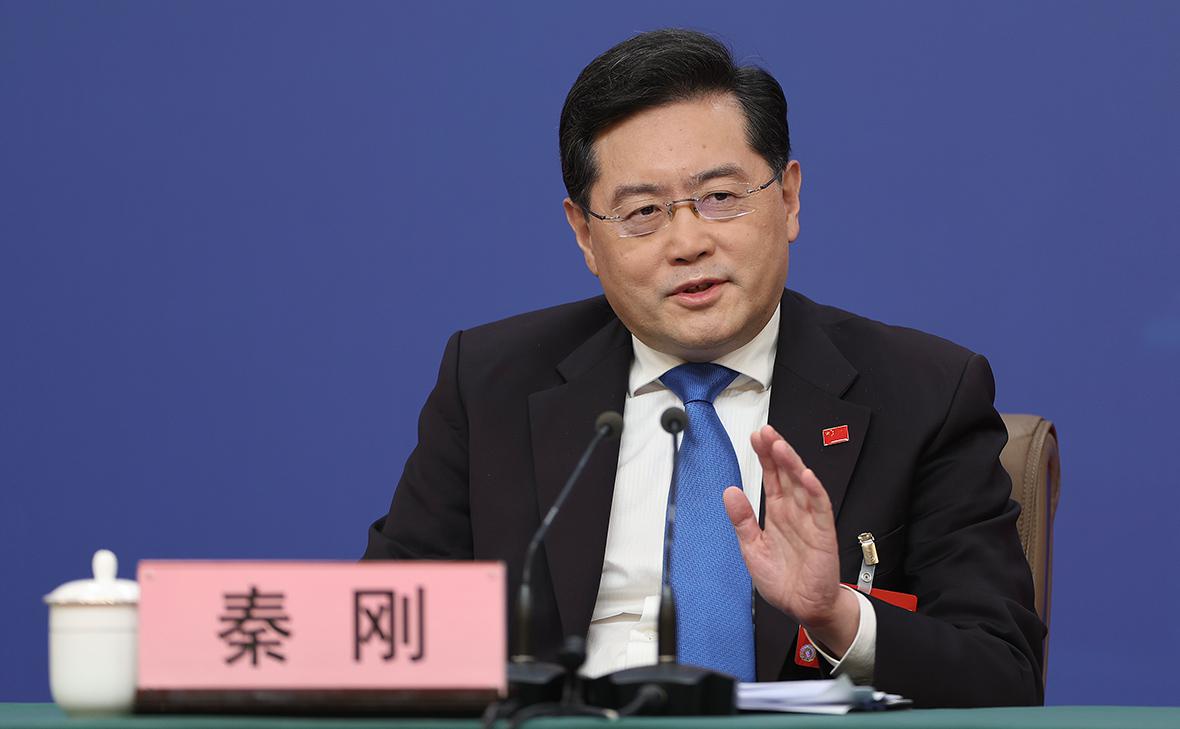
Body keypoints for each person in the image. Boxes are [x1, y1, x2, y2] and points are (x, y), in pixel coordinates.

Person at [363, 28, 1044, 707]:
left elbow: (1003, 676)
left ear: (789, 198)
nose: (688, 242)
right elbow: (378, 647)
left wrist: (837, 615)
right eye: (642, 212)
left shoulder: (922, 393)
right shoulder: (493, 384)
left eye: (720, 197)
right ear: (585, 235)